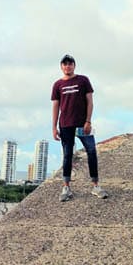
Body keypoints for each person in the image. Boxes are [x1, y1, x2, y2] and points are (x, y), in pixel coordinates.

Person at [51, 54, 108, 202]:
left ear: (74, 65)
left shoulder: (83, 80)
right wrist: (54, 127)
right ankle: (66, 187)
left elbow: (90, 101)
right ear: (61, 67)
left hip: (82, 124)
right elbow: (56, 106)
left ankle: (95, 185)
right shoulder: (58, 85)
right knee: (67, 155)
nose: (67, 66)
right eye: (64, 64)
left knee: (91, 151)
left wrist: (88, 121)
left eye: (70, 64)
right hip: (65, 125)